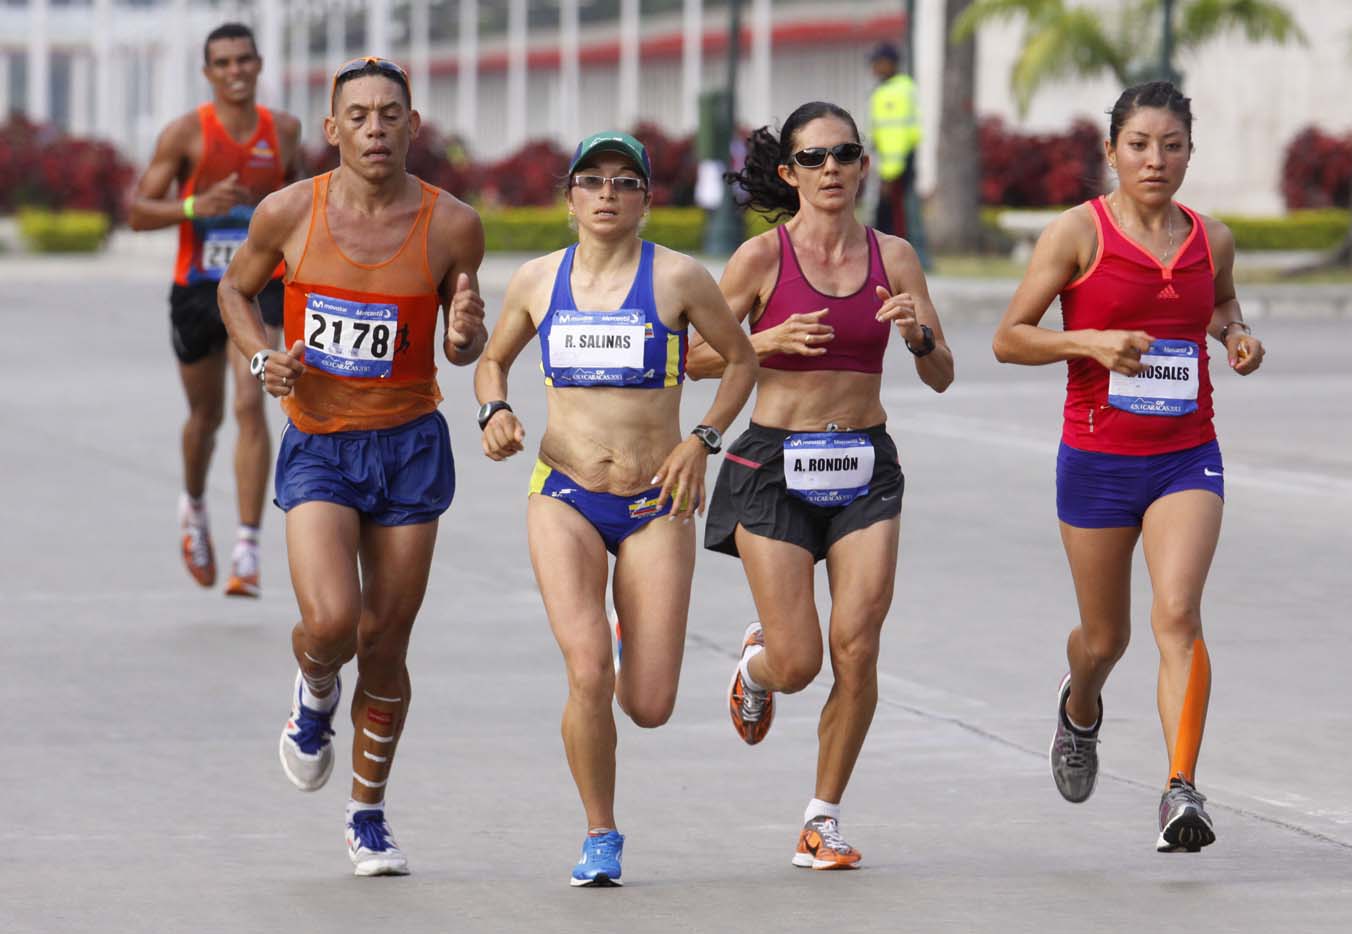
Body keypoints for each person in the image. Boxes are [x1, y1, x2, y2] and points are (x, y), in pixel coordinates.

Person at [218, 57, 488, 876]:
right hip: (321, 441)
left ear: (414, 125)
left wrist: (466, 333)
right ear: (333, 130)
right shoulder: (289, 212)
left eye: (390, 114)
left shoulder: (453, 226)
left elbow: (463, 341)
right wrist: (265, 358)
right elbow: (234, 292)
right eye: (359, 116)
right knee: (332, 624)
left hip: (409, 443)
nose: (376, 129)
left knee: (386, 642)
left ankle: (367, 814)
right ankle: (313, 693)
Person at [474, 131, 757, 886]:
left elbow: (741, 359)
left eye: (624, 182)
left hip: (655, 500)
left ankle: (637, 623)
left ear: (646, 200)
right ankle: (600, 832)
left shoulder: (678, 279)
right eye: (592, 181)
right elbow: (492, 359)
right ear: (569, 198)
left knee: (650, 704)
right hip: (563, 492)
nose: (607, 194)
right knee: (588, 671)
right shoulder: (538, 280)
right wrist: (493, 411)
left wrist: (703, 438)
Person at [990, 81, 1265, 853]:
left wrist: (1235, 334)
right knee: (1104, 640)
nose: (1156, 159)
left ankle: (1181, 789)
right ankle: (1080, 709)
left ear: (1189, 152)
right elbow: (1009, 337)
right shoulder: (1078, 235)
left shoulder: (1213, 238)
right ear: (1111, 152)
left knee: (1177, 615)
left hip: (1186, 455)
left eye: (1172, 145)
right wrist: (1091, 342)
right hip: (1098, 461)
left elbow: (1220, 303)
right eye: (1140, 144)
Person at [690, 101, 954, 870]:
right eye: (813, 158)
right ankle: (756, 666)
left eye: (844, 154)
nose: (831, 169)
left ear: (864, 165)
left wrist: (918, 335)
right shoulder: (759, 260)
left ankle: (821, 817)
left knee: (858, 647)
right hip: (774, 466)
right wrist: (761, 340)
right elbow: (690, 355)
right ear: (789, 172)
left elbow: (941, 376)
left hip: (865, 464)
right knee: (800, 661)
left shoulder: (895, 257)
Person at [129, 22, 304, 597]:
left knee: (251, 401)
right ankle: (195, 505)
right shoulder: (186, 135)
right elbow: (136, 210)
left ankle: (247, 550)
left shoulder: (283, 131)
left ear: (258, 65)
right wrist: (192, 205)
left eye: (243, 61)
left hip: (257, 283)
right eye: (223, 63)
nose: (235, 72)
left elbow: (302, 205)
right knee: (206, 419)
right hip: (198, 288)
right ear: (208, 74)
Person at [867, 42, 927, 265]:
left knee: (903, 215)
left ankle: (915, 258)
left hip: (898, 165)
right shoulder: (883, 90)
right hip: (887, 165)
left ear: (890, 63)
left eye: (877, 62)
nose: (873, 67)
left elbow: (898, 135)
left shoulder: (899, 90)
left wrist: (890, 173)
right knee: (889, 215)